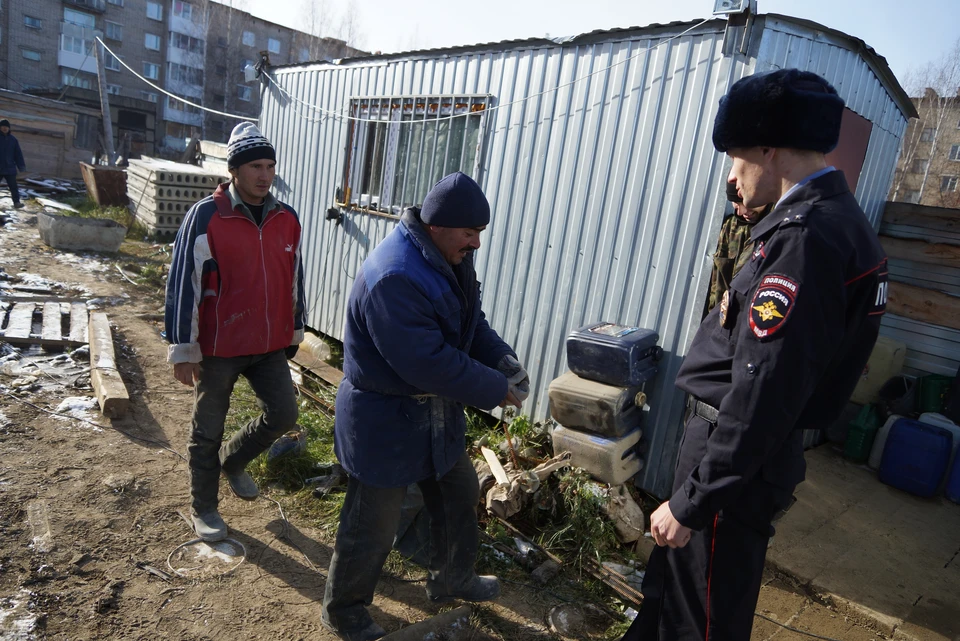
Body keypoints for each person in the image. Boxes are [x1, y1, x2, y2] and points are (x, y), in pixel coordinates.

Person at [623, 69, 888, 641]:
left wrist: (692, 501)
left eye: (737, 158)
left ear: (768, 149)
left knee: (703, 616)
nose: (732, 175)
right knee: (670, 593)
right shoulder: (828, 225)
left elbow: (765, 392)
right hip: (734, 456)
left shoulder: (805, 239)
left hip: (731, 463)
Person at [322, 172, 529, 641]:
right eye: (470, 233)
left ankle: (451, 577)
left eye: (480, 233)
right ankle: (345, 609)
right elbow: (426, 363)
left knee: (458, 496)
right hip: (386, 417)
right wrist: (495, 388)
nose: (476, 243)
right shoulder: (394, 275)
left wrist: (502, 359)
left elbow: (470, 321)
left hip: (434, 413)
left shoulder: (447, 258)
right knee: (371, 523)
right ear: (438, 225)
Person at [165, 122, 305, 542]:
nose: (265, 174)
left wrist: (294, 330)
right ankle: (204, 507)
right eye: (255, 166)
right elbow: (183, 282)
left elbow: (294, 278)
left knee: (284, 413)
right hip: (218, 346)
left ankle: (234, 460)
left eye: (270, 165)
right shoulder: (207, 216)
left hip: (267, 345)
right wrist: (183, 347)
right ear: (235, 170)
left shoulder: (286, 218)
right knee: (206, 430)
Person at [704, 182, 774, 315]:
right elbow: (718, 282)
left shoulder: (779, 228)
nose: (741, 212)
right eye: (736, 204)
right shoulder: (731, 227)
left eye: (745, 203)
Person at [0, 119, 26, 209]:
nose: (4, 128)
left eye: (6, 127)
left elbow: (18, 154)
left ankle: (16, 203)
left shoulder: (13, 140)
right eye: (3, 126)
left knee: (13, 187)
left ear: (9, 128)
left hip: (10, 168)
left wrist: (21, 166)